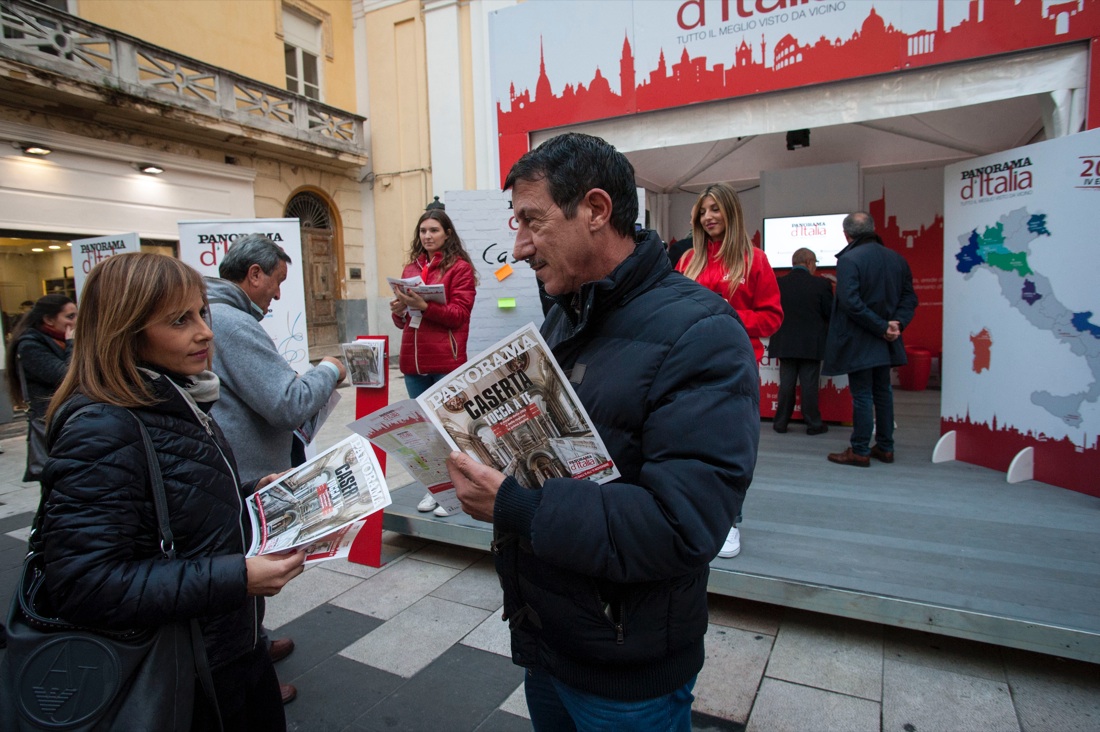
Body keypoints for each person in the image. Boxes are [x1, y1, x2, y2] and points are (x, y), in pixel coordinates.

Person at [446, 133, 759, 731]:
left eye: (531, 221)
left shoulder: (703, 334)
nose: (518, 246)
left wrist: (515, 505)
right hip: (550, 642)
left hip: (627, 673)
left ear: (594, 210)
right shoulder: (568, 310)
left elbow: (681, 526)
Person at [39, 252, 305, 730]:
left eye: (202, 312)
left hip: (225, 644)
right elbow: (84, 583)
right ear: (126, 330)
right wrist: (235, 578)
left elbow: (170, 499)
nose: (205, 331)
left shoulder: (173, 394)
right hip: (181, 667)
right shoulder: (102, 426)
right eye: (180, 320)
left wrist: (248, 493)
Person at [206, 233, 345, 702]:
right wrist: (327, 370)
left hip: (242, 469)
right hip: (241, 477)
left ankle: (257, 646)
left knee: (241, 579)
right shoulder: (229, 320)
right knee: (242, 579)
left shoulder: (220, 314)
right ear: (254, 274)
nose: (278, 294)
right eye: (278, 282)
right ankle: (250, 676)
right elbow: (286, 403)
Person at [676, 182, 782, 559]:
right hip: (690, 364)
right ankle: (697, 515)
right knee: (690, 444)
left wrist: (726, 311)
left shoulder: (755, 260)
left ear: (731, 213)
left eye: (716, 209)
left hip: (736, 365)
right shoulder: (688, 261)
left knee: (732, 447)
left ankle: (730, 522)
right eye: (704, 211)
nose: (709, 217)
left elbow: (772, 318)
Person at [389, 209, 477, 518]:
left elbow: (458, 316)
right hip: (414, 364)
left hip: (446, 361)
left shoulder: (460, 268)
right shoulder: (411, 267)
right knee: (426, 431)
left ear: (447, 234)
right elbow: (402, 323)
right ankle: (435, 489)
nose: (427, 235)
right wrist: (399, 310)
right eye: (423, 230)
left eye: (434, 230)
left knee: (448, 429)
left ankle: (456, 491)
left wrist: (424, 306)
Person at [823, 212, 918, 467]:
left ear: (847, 234)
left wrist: (880, 327)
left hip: (860, 339)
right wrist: (895, 324)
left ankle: (860, 450)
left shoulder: (849, 260)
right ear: (874, 229)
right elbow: (910, 299)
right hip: (886, 341)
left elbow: (850, 302)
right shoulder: (898, 259)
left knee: (863, 395)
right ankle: (886, 448)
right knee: (883, 393)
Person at [4, 294, 76, 482]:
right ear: (49, 319)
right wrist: (71, 344)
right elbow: (65, 376)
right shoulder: (30, 345)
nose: (75, 321)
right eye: (70, 316)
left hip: (68, 421)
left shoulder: (60, 340)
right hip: (50, 422)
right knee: (57, 484)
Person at [767, 247, 833, 435]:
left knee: (786, 384)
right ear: (810, 263)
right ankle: (813, 424)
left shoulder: (779, 284)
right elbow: (830, 313)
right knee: (809, 385)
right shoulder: (821, 285)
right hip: (811, 344)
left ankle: (780, 423)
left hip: (785, 342)